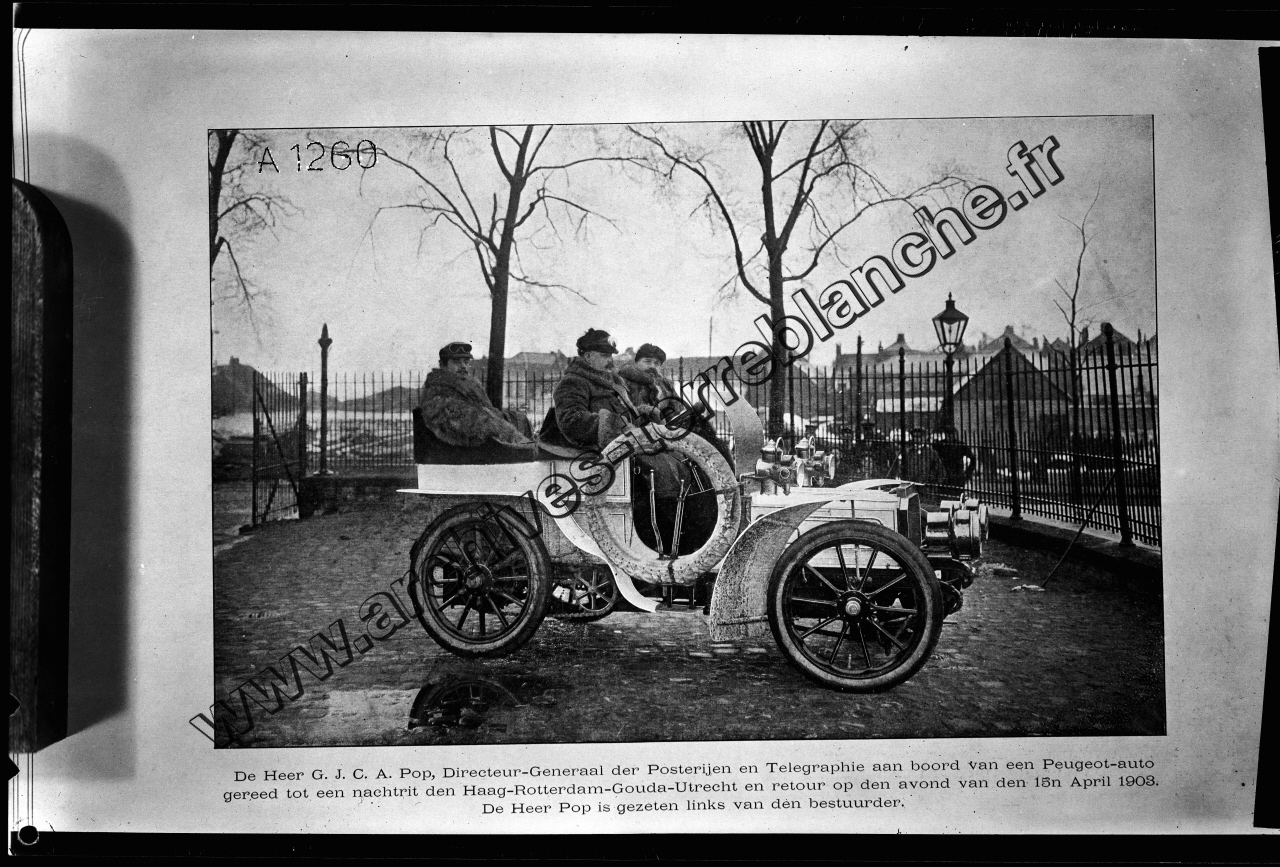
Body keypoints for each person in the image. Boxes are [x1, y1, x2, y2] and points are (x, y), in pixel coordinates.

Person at [618, 343, 733, 468]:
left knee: (712, 438)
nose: (652, 366)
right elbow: (627, 414)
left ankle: (726, 477)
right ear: (636, 362)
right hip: (647, 432)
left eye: (656, 363)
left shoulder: (664, 384)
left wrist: (687, 414)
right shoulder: (625, 382)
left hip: (671, 428)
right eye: (647, 361)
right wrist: (651, 412)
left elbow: (678, 408)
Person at [418, 341, 535, 449]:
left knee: (518, 418)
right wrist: (512, 436)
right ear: (443, 365)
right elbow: (469, 423)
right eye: (456, 362)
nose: (463, 366)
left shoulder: (469, 388)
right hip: (465, 450)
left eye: (466, 362)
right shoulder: (437, 392)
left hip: (481, 444)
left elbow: (487, 413)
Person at [932, 424, 977, 497]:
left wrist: (968, 473)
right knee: (943, 497)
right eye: (948, 434)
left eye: (952, 434)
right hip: (944, 475)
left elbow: (973, 459)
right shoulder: (939, 444)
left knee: (956, 497)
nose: (950, 436)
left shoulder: (960, 445)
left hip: (957, 475)